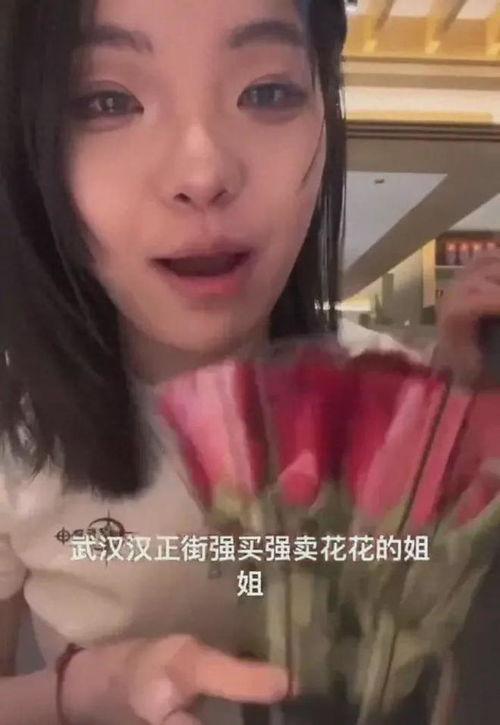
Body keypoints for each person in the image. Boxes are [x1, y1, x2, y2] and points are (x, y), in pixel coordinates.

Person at [0, 1, 499, 724]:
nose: (202, 171)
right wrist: (90, 687)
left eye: (267, 91)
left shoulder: (385, 388)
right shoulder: (13, 435)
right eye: (108, 101)